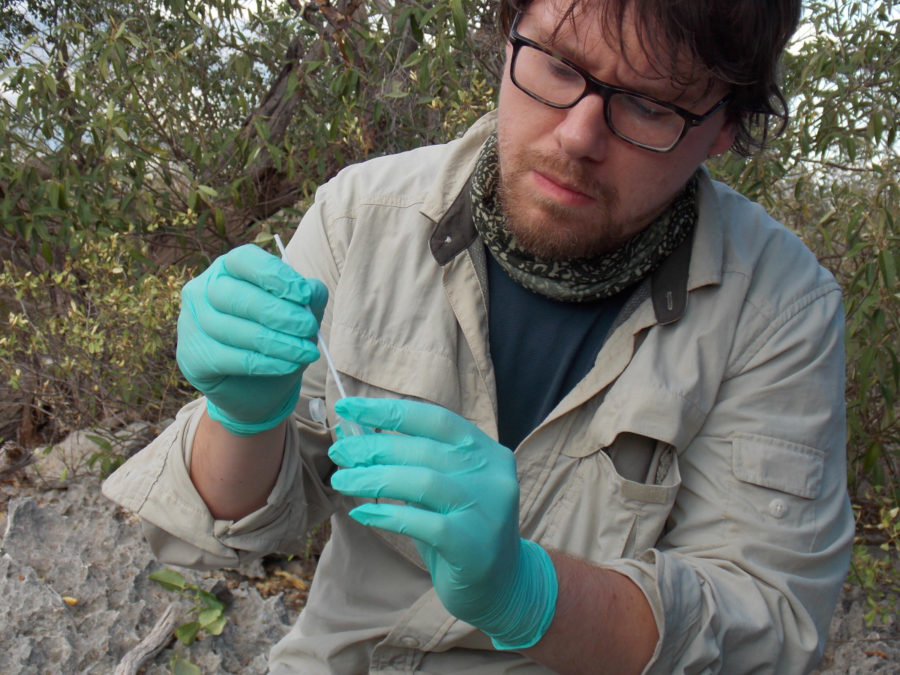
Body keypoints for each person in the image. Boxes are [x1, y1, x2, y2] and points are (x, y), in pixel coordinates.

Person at [103, 0, 854, 671]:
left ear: (724, 127)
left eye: (651, 106)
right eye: (559, 65)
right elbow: (233, 523)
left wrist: (533, 594)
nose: (579, 133)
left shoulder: (781, 311)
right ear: (507, 33)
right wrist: (243, 414)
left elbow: (769, 620)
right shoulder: (359, 217)